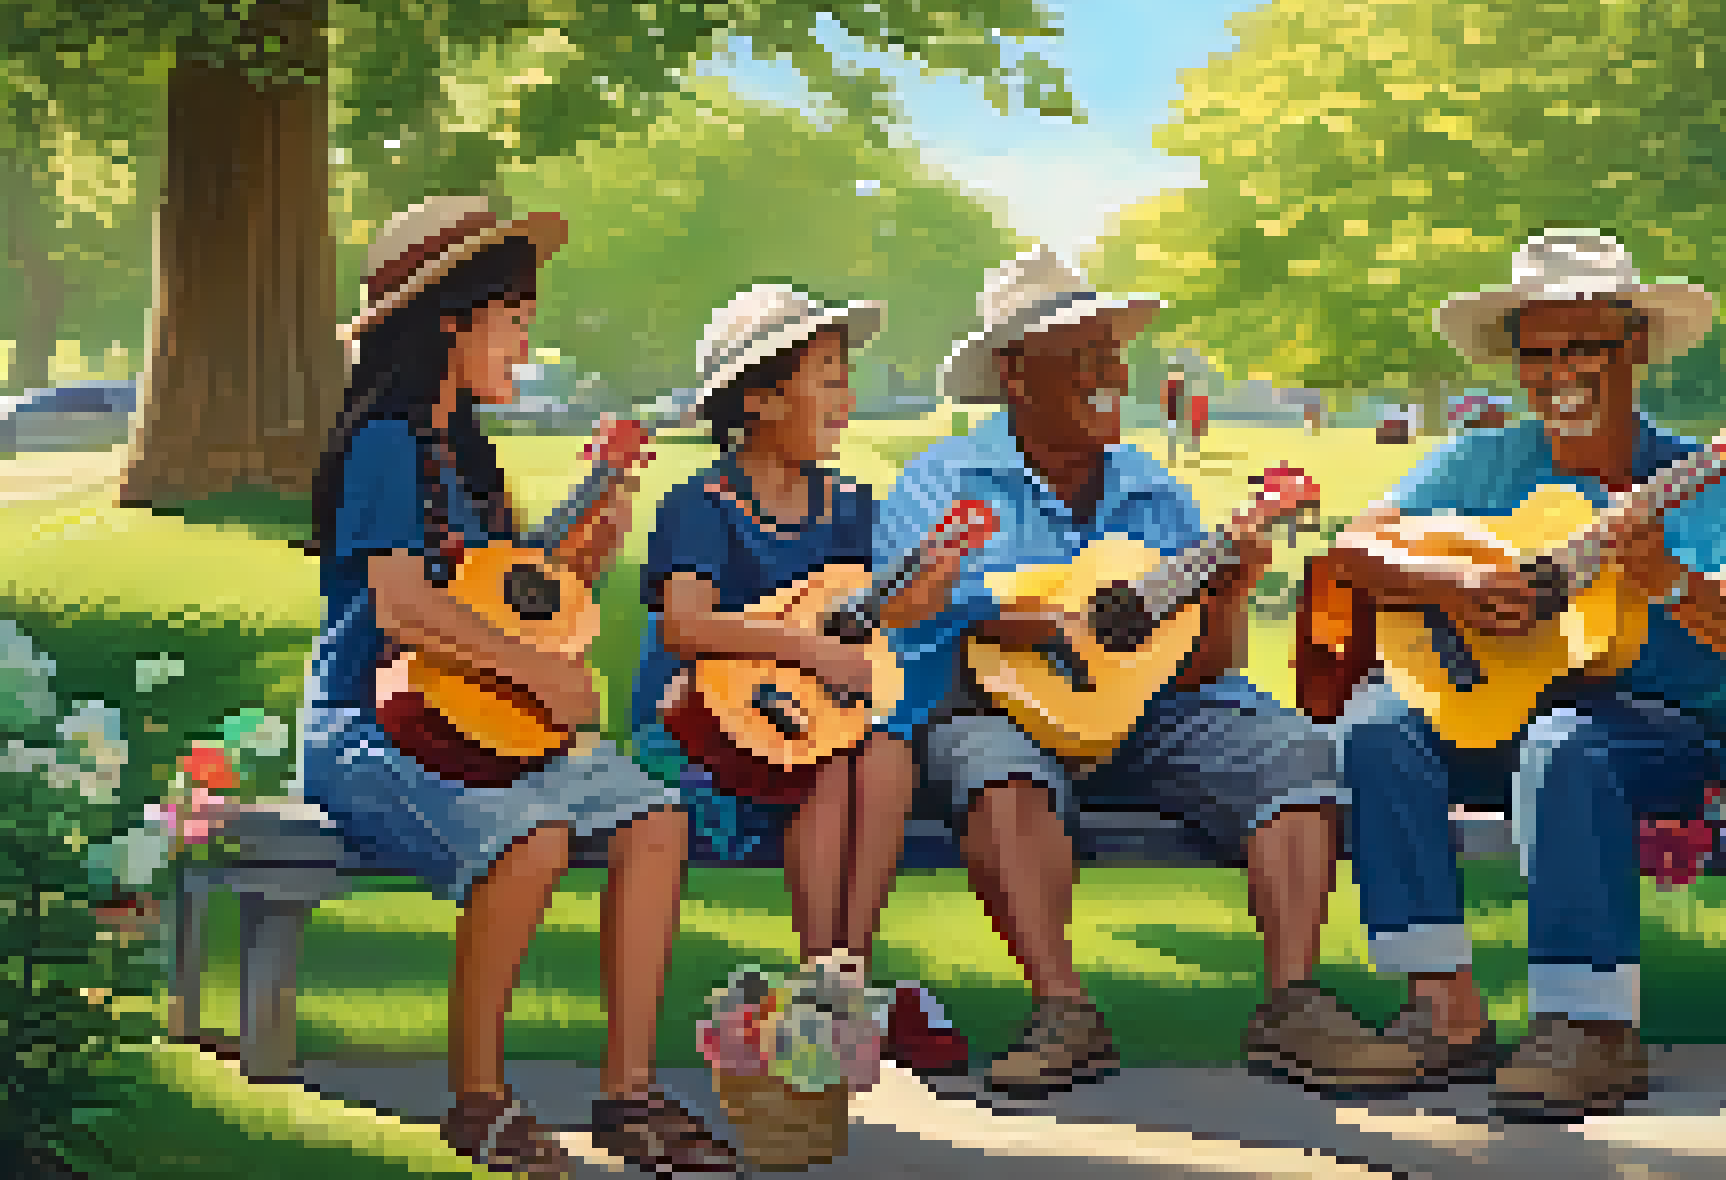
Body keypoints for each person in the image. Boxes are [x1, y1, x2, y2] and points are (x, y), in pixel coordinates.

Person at [881, 245, 1424, 1097]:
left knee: (1291, 751)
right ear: (1017, 376)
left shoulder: (1154, 488)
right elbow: (908, 615)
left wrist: (1229, 593)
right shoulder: (942, 481)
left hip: (1143, 714)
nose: (1110, 372)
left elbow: (1200, 668)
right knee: (993, 772)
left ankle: (1293, 1004)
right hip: (995, 708)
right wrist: (1029, 620)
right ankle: (1063, 1010)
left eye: (1111, 351)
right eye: (1083, 354)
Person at [300, 196, 736, 1175]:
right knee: (529, 838)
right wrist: (541, 672)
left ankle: (628, 1094)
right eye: (517, 321)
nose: (527, 343)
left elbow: (513, 607)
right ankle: (480, 1099)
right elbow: (407, 608)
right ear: (450, 320)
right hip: (370, 728)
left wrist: (593, 547)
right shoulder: (384, 447)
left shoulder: (470, 460)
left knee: (656, 822)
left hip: (478, 719)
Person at [1328, 230, 1726, 1119]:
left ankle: (1591, 1026)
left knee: (1566, 743)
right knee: (1377, 727)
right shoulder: (1485, 460)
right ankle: (1444, 1009)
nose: (1557, 372)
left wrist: (1668, 582)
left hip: (1657, 729)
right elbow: (1355, 548)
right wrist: (1454, 581)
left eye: (1584, 348)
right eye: (1537, 354)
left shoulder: (1700, 482)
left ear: (1637, 347)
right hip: (1492, 716)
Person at [626, 283, 971, 1076]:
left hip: (810, 727)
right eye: (829, 378)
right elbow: (686, 625)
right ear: (759, 399)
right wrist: (810, 655)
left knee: (881, 750)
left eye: (846, 378)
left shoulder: (849, 505)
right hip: (700, 738)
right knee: (829, 766)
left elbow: (881, 617)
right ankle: (829, 977)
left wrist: (931, 585)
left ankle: (841, 976)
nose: (848, 398)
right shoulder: (701, 504)